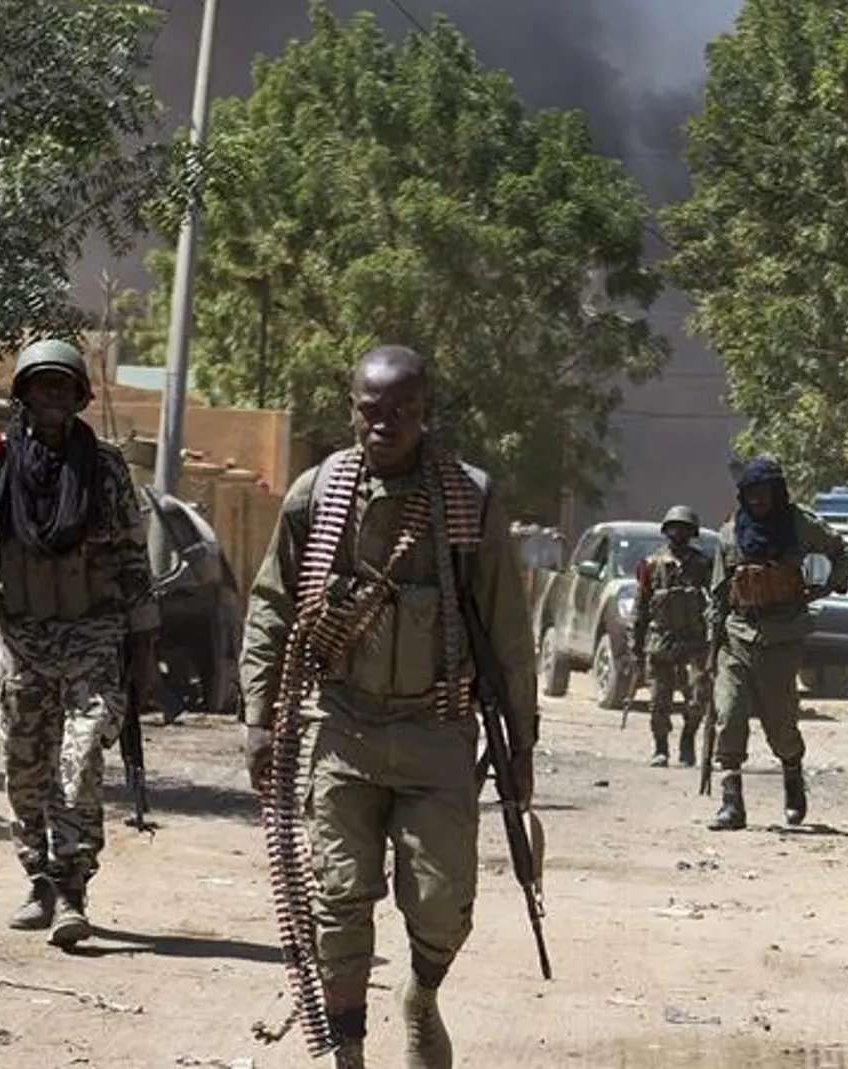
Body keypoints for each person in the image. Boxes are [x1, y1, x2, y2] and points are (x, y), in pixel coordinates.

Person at [239, 345, 538, 1068]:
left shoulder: (469, 498)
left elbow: (506, 631)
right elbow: (273, 606)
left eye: (401, 411)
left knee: (441, 906)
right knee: (337, 900)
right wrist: (256, 715)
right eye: (371, 411)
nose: (385, 425)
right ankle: (349, 1054)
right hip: (345, 729)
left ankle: (422, 994)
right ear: (352, 410)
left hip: (438, 730)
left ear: (424, 412)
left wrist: (521, 744)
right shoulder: (318, 494)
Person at [0, 338, 158, 947]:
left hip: (92, 633)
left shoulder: (105, 468)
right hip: (23, 637)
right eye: (42, 385)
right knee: (24, 766)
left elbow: (135, 559)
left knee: (80, 758)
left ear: (80, 396)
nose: (53, 396)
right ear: (24, 393)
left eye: (64, 386)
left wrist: (145, 645)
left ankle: (73, 888)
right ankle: (38, 880)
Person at [706, 458, 848, 831]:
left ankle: (792, 776)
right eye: (750, 494)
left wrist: (830, 584)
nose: (757, 500)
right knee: (730, 713)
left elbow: (842, 552)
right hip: (737, 636)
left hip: (782, 636)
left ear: (777, 493)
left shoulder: (799, 526)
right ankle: (731, 803)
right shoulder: (729, 534)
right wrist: (711, 647)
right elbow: (718, 594)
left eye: (764, 493)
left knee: (780, 724)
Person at [630, 506, 714, 768]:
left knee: (699, 696)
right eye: (675, 527)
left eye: (685, 528)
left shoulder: (703, 565)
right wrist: (636, 645)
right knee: (659, 700)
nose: (680, 533)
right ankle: (661, 748)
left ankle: (688, 740)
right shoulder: (650, 564)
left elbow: (715, 602)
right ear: (666, 531)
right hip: (660, 641)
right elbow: (641, 606)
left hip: (695, 641)